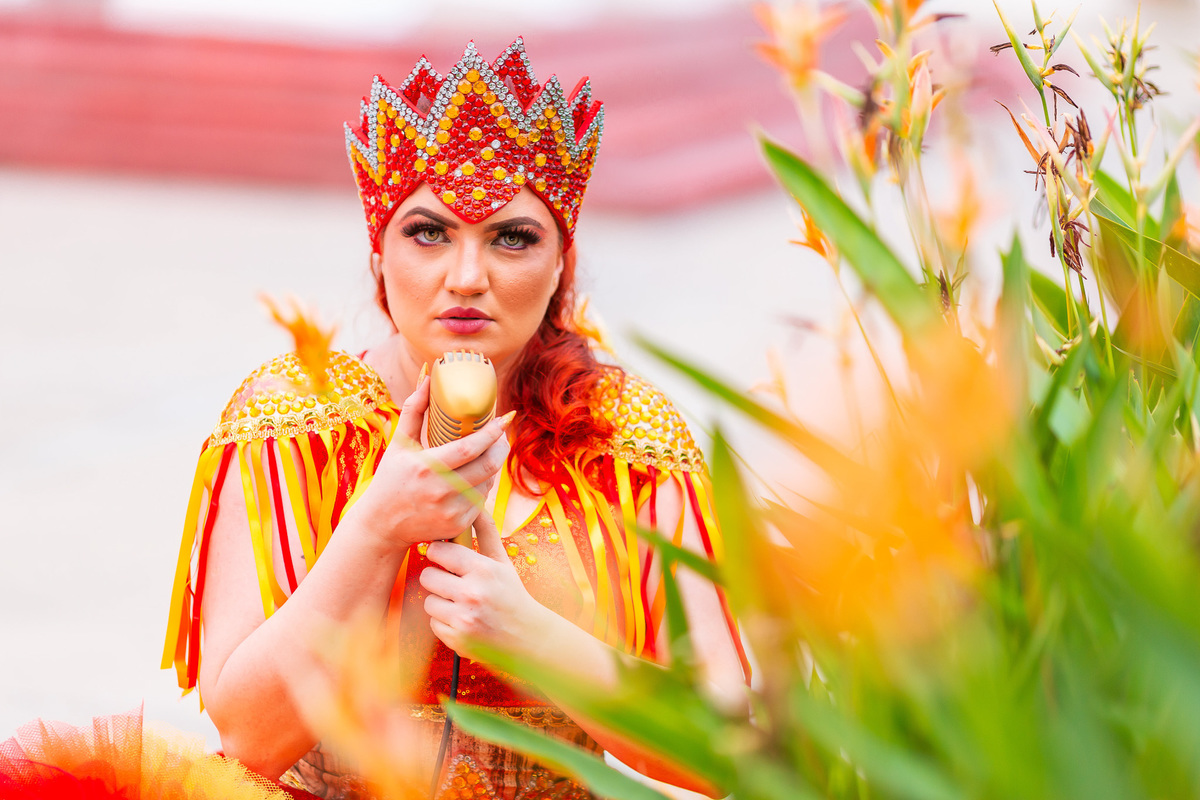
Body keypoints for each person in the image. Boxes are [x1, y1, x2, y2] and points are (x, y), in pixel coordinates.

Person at [162, 38, 749, 800]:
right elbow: (249, 739)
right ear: (380, 253)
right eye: (429, 232)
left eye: (513, 237)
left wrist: (532, 636)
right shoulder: (295, 422)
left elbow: (727, 748)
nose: (467, 278)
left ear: (560, 262)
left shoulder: (626, 441)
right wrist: (375, 529)